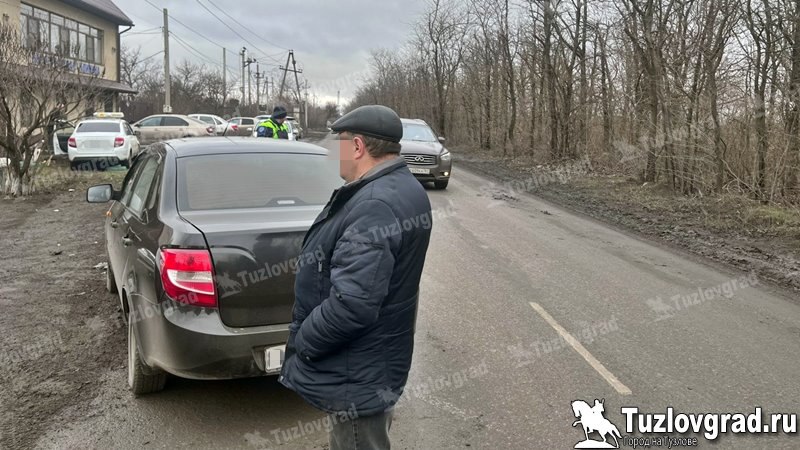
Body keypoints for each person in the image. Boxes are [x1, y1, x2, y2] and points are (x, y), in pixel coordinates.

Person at [279, 105, 433, 450]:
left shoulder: (374, 205)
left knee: (357, 440)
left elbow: (353, 304)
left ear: (358, 147)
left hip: (358, 367)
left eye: (339, 144)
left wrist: (304, 341)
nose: (334, 154)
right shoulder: (401, 186)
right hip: (374, 359)